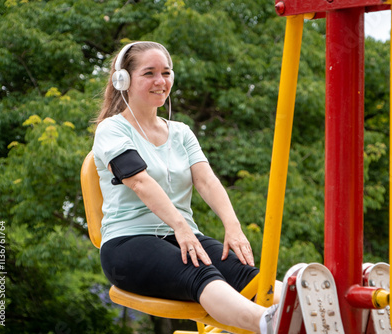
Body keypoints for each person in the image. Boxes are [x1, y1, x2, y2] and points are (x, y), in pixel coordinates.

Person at [92, 41, 281, 333]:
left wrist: (232, 226)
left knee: (244, 274)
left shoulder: (180, 132)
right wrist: (181, 227)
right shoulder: (112, 130)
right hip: (128, 242)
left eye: (166, 72)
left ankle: (306, 304)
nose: (160, 81)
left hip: (181, 235)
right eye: (149, 73)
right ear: (124, 80)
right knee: (200, 273)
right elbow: (140, 181)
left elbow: (206, 180)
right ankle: (268, 324)